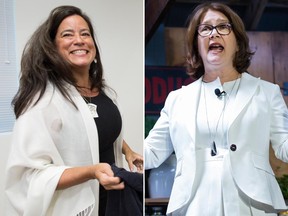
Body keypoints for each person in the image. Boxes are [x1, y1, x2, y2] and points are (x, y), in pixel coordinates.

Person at [145, 2, 288, 216]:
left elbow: (284, 145)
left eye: (223, 27)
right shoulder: (177, 99)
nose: (214, 34)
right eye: (205, 28)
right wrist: (119, 145)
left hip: (252, 205)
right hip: (194, 205)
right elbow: (152, 152)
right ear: (196, 45)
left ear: (238, 42)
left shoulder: (266, 93)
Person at [5, 5, 143, 216]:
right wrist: (91, 171)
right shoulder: (42, 102)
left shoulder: (105, 93)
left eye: (85, 34)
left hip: (113, 204)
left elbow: (94, 130)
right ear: (53, 48)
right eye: (67, 35)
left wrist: (127, 150)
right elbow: (29, 176)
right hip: (81, 209)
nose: (79, 40)